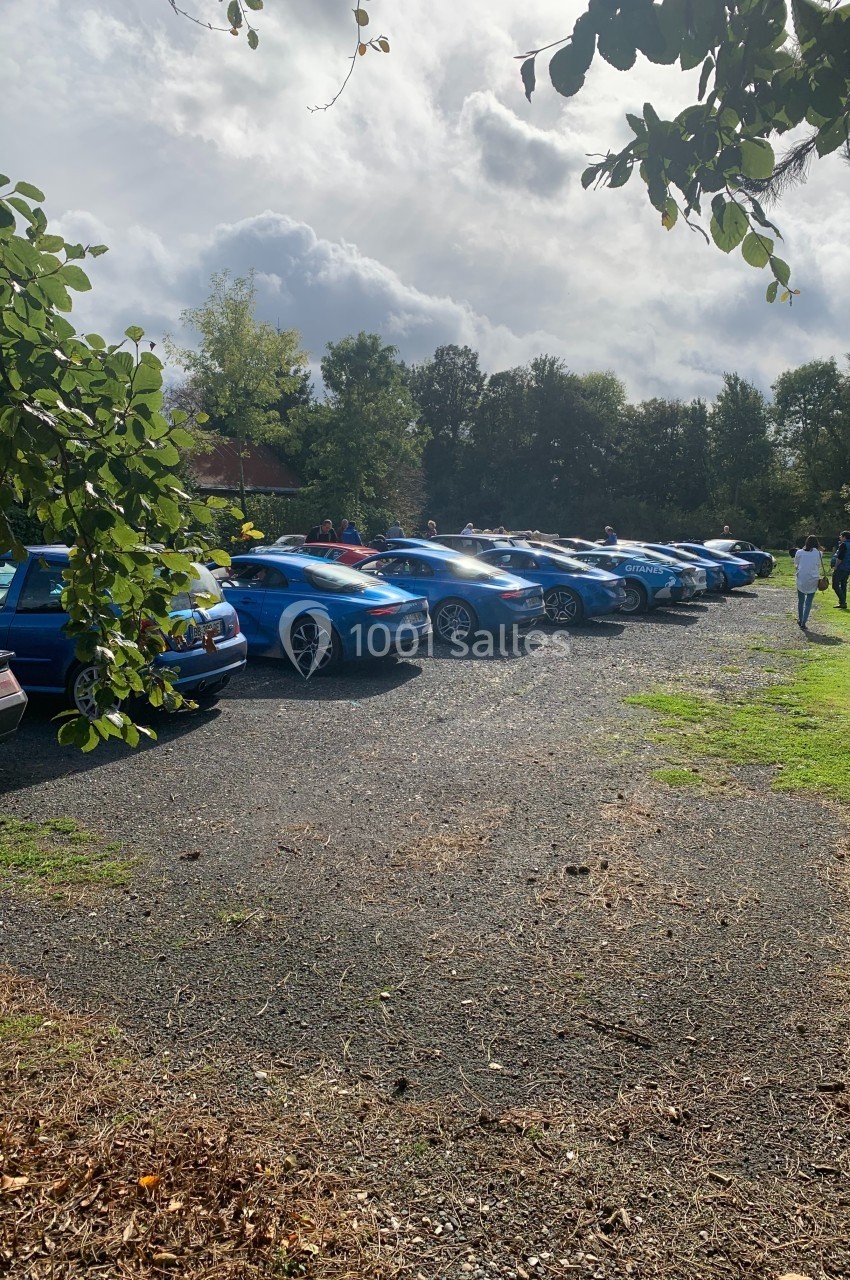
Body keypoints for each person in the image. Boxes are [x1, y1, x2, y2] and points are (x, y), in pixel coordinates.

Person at [794, 534, 823, 629]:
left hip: (802, 577)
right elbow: (818, 565)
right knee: (808, 602)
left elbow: (796, 564)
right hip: (813, 578)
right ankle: (804, 622)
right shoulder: (819, 553)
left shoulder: (799, 552)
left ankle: (800, 618)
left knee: (801, 600)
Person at [831, 530, 850, 609]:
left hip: (841, 567)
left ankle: (842, 601)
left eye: (841, 536)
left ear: (844, 537)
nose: (840, 537)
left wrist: (836, 566)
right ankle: (842, 603)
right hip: (848, 568)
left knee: (835, 585)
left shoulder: (843, 545)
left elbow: (840, 557)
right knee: (843, 585)